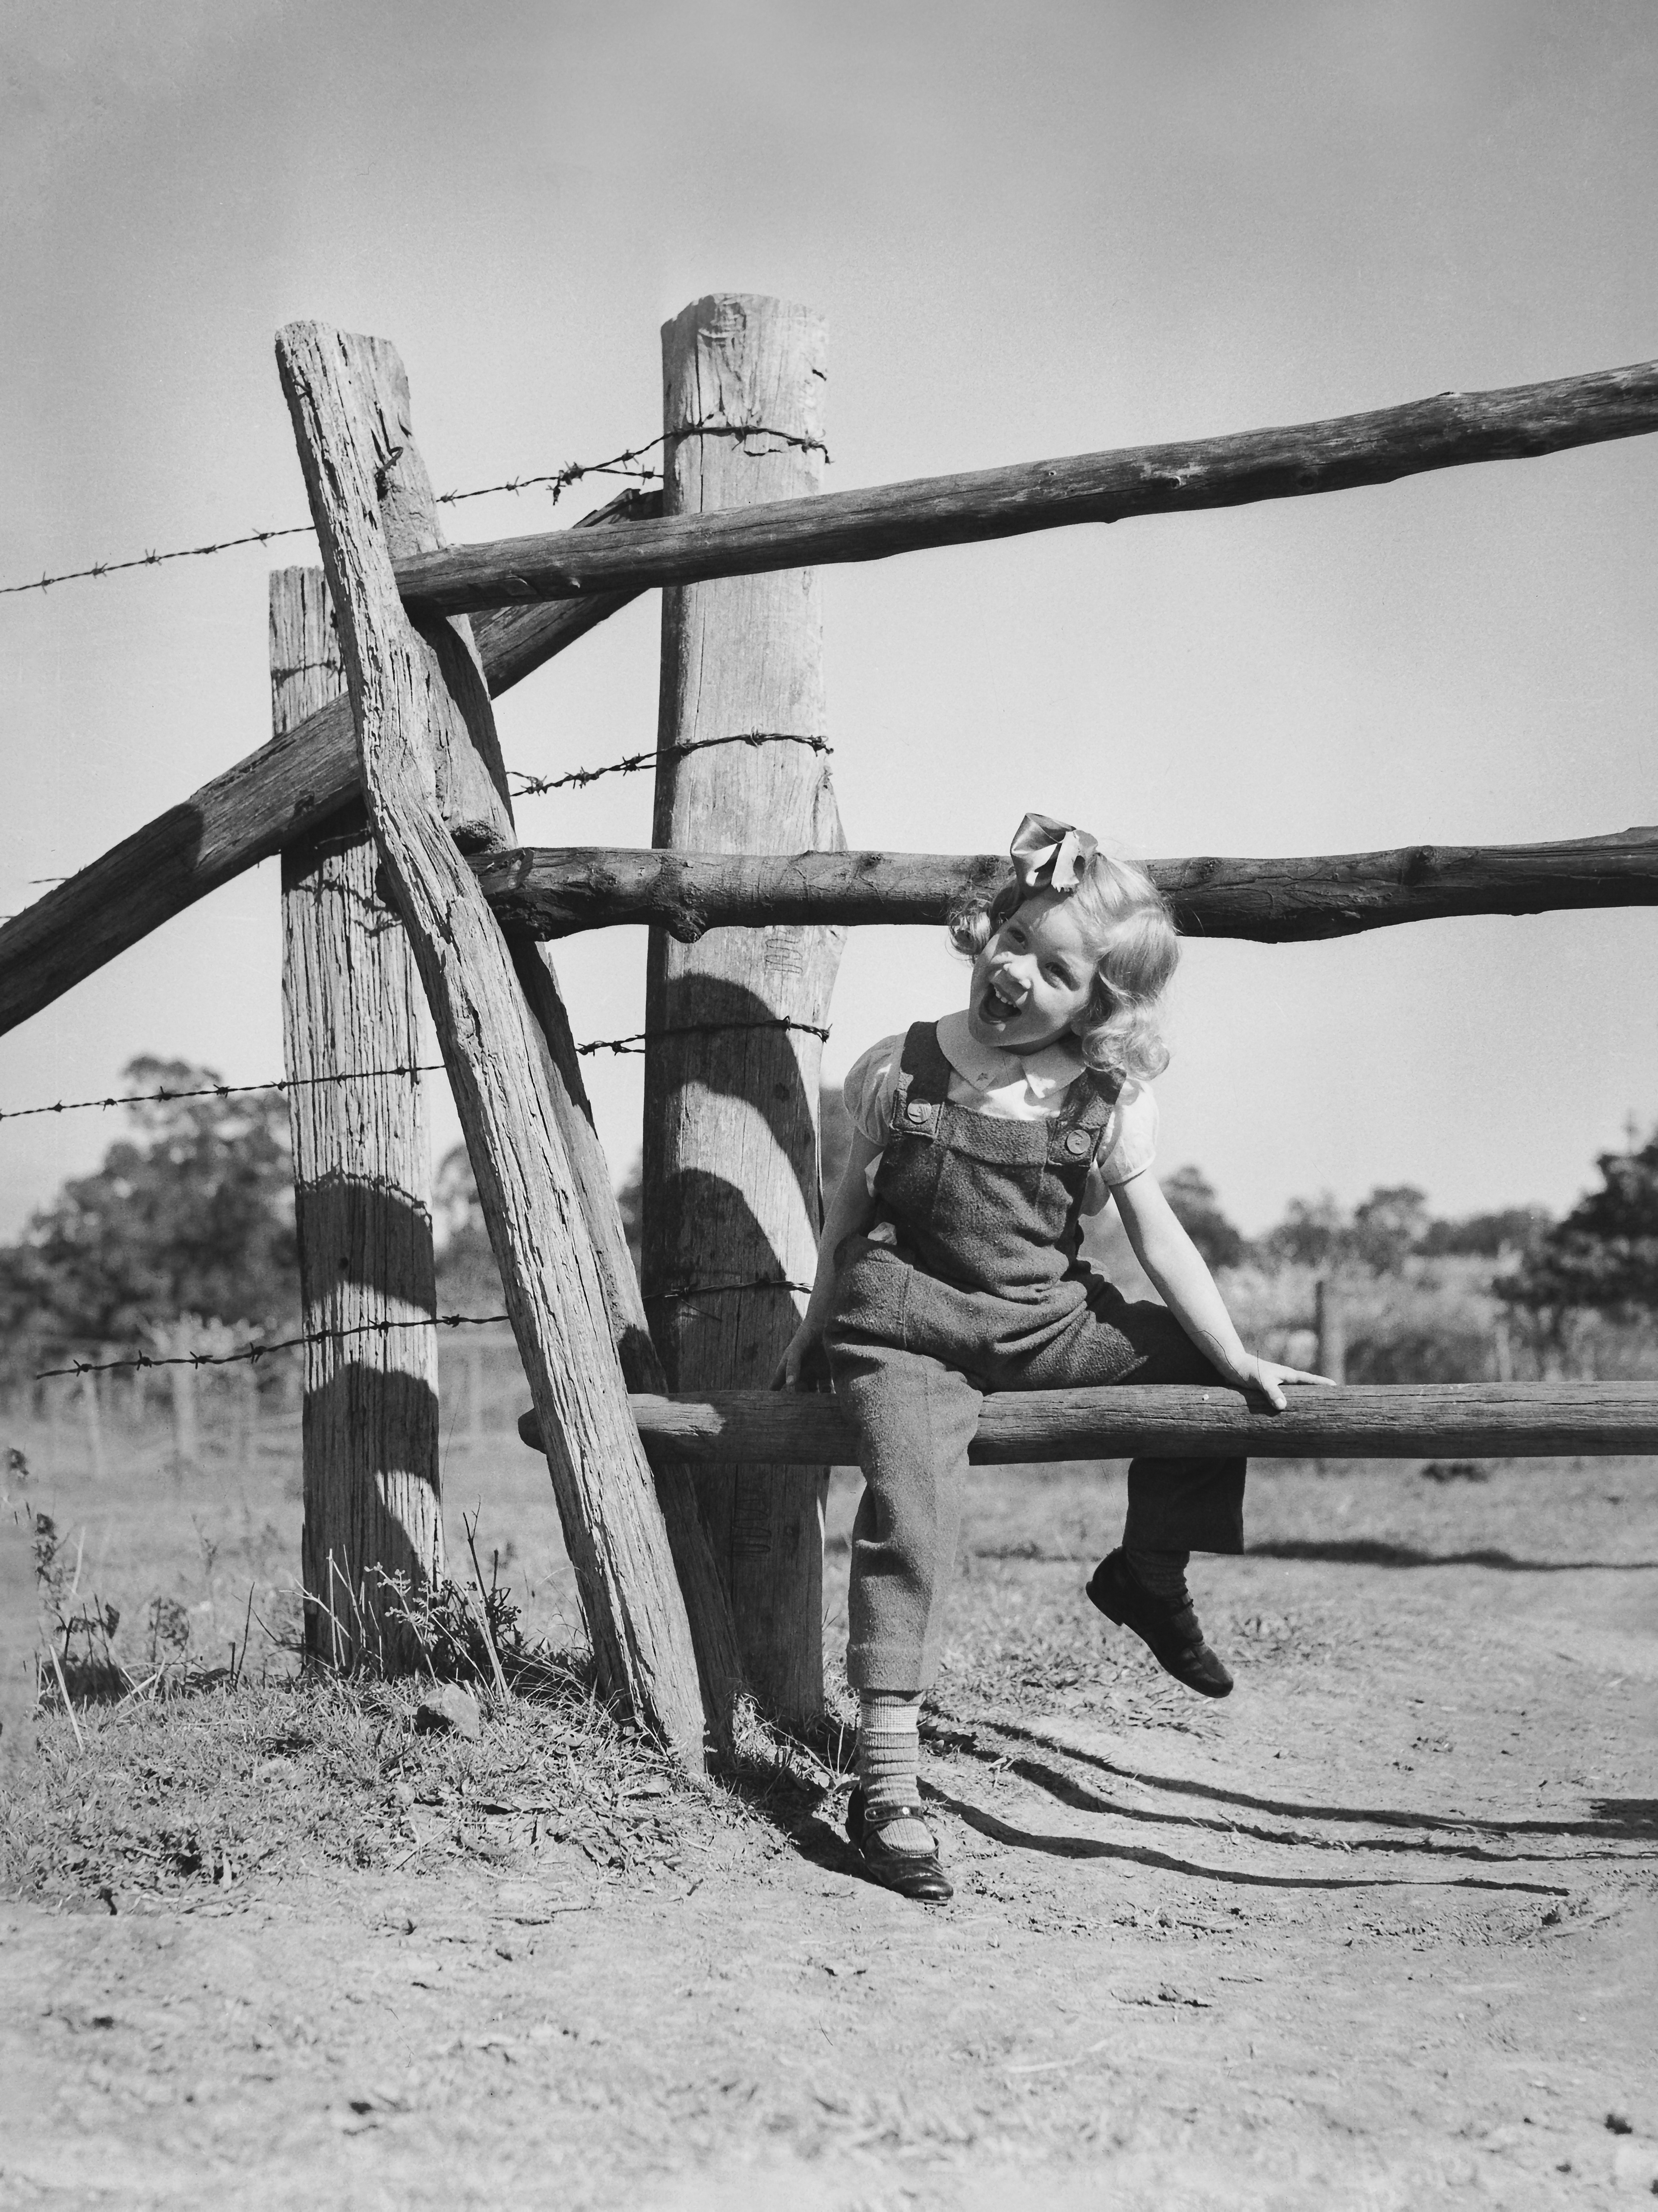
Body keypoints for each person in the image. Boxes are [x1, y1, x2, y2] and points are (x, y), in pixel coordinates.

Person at [774, 812, 1330, 1902]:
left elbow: (1160, 1239)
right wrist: (814, 1321)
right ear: (986, 927)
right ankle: (886, 1778)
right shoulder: (910, 1066)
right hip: (909, 1324)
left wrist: (1235, 1353)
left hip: (1041, 1323)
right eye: (1012, 936)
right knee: (911, 1508)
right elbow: (850, 1206)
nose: (1016, 969)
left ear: (1096, 1007)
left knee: (1189, 1366)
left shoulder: (1103, 1101)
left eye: (1055, 966)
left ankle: (1149, 1570)